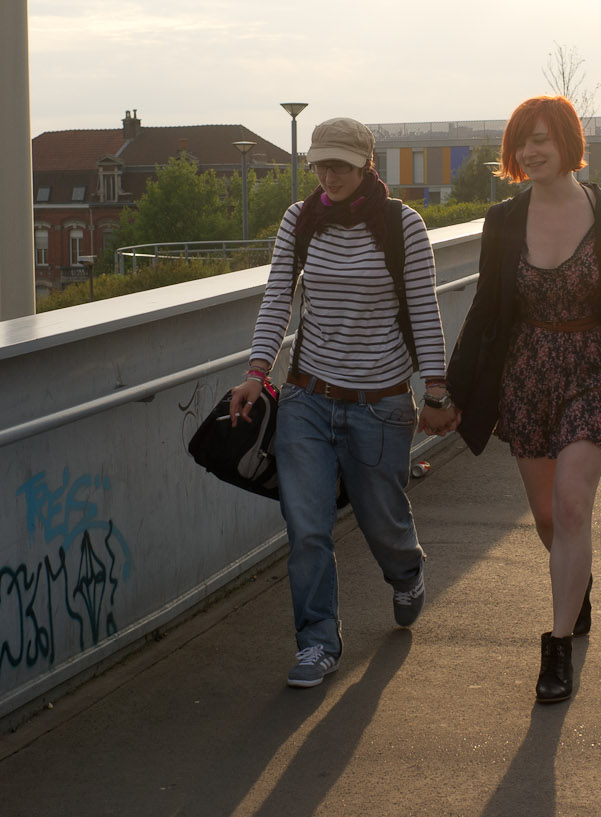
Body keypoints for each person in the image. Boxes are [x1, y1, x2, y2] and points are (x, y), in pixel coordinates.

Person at [227, 116, 458, 689]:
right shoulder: (301, 219)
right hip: (307, 397)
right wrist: (259, 370)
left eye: (341, 167)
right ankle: (317, 644)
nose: (329, 177)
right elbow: (278, 294)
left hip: (380, 405)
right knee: (307, 528)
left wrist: (436, 390)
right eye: (321, 165)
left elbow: (425, 313)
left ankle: (405, 571)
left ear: (366, 166)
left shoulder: (403, 225)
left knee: (383, 523)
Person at [444, 96, 601, 704]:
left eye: (541, 139)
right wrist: (449, 392)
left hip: (594, 368)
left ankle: (557, 648)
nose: (530, 151)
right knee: (546, 518)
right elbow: (486, 309)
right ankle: (576, 583)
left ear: (567, 141)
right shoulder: (503, 220)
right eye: (520, 142)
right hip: (528, 374)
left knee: (570, 507)